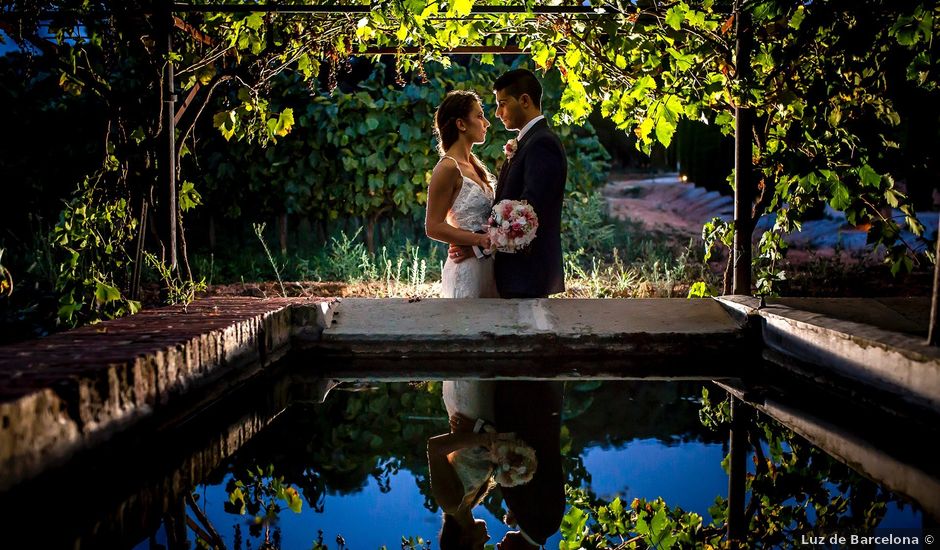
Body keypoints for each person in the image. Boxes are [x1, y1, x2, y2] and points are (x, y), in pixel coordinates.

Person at [448, 68, 568, 299]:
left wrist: (476, 247)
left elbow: (529, 215)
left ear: (524, 100)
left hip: (526, 274)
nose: (497, 113)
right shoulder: (528, 142)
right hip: (514, 274)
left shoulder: (543, 144)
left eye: (502, 103)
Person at [425, 89, 499, 299]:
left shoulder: (476, 166)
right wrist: (478, 241)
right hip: (466, 268)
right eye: (479, 116)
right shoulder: (447, 168)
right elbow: (433, 226)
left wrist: (485, 244)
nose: (486, 123)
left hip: (486, 266)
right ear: (461, 124)